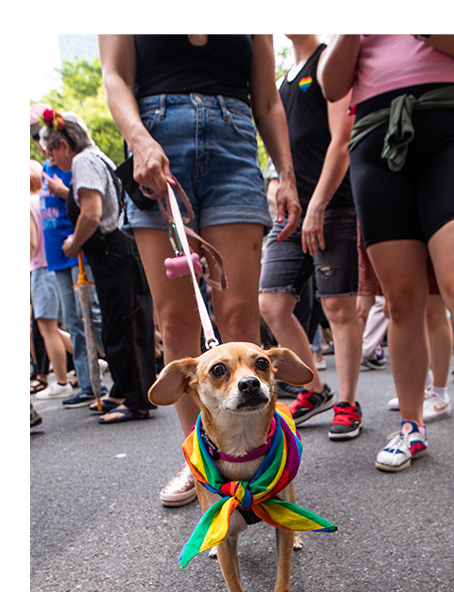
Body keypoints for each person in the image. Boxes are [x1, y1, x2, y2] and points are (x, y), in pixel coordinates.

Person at [99, 35, 302, 503]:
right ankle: (200, 460)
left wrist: (286, 175)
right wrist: (138, 139)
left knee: (239, 319)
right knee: (175, 321)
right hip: (154, 138)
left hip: (234, 141)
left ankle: (259, 460)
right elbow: (114, 75)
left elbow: (267, 98)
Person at [319, 34, 454, 472]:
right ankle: (412, 427)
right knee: (400, 302)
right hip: (374, 138)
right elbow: (331, 86)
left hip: (448, 118)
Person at [257, 34, 365, 440]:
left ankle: (348, 403)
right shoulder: (281, 80)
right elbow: (280, 146)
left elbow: (342, 141)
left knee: (338, 307)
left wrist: (318, 204)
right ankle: (313, 391)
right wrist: (276, 182)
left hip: (333, 203)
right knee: (272, 303)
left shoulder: (328, 63)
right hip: (290, 208)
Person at [39, 109, 157, 424]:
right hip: (115, 251)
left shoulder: (82, 162)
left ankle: (135, 400)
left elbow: (91, 214)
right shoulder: (96, 157)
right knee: (122, 323)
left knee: (124, 326)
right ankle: (123, 389)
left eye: (51, 151)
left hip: (109, 250)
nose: (52, 160)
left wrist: (73, 243)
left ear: (65, 144)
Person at [33, 110, 101, 409]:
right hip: (54, 259)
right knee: (72, 321)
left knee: (89, 316)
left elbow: (88, 206)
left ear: (64, 144)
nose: (48, 154)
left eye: (51, 148)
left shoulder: (77, 166)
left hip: (78, 254)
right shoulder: (48, 168)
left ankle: (108, 377)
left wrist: (63, 192)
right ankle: (86, 383)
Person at [30, 160, 72, 401]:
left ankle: (61, 380)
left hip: (40, 268)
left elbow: (32, 242)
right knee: (56, 326)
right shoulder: (40, 201)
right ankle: (93, 362)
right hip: (53, 266)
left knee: (47, 328)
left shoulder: (28, 204)